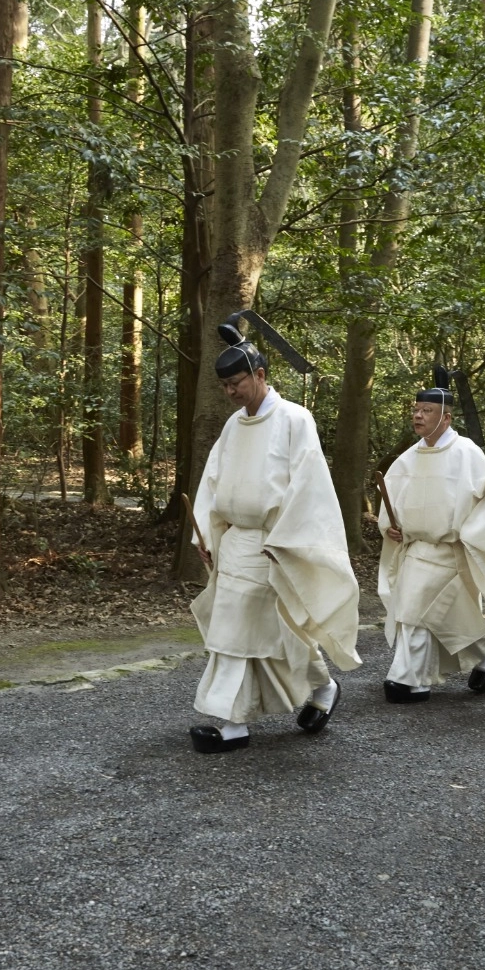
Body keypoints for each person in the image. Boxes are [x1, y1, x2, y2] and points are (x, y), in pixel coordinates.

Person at [187, 321, 361, 753]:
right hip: (236, 541)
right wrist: (209, 533)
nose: (231, 391)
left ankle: (233, 722)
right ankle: (320, 687)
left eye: (237, 382)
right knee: (264, 630)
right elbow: (213, 482)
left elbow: (310, 485)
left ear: (261, 375)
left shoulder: (294, 419)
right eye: (225, 385)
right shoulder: (233, 426)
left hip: (273, 542)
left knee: (243, 627)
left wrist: (287, 538)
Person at [374, 370, 485, 702]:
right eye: (416, 409)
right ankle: (482, 651)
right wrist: (390, 527)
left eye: (427, 410)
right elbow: (391, 503)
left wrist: (473, 533)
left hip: (452, 551)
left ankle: (409, 677)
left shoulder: (467, 453)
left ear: (446, 417)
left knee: (418, 610)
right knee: (422, 612)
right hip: (415, 549)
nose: (418, 415)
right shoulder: (408, 458)